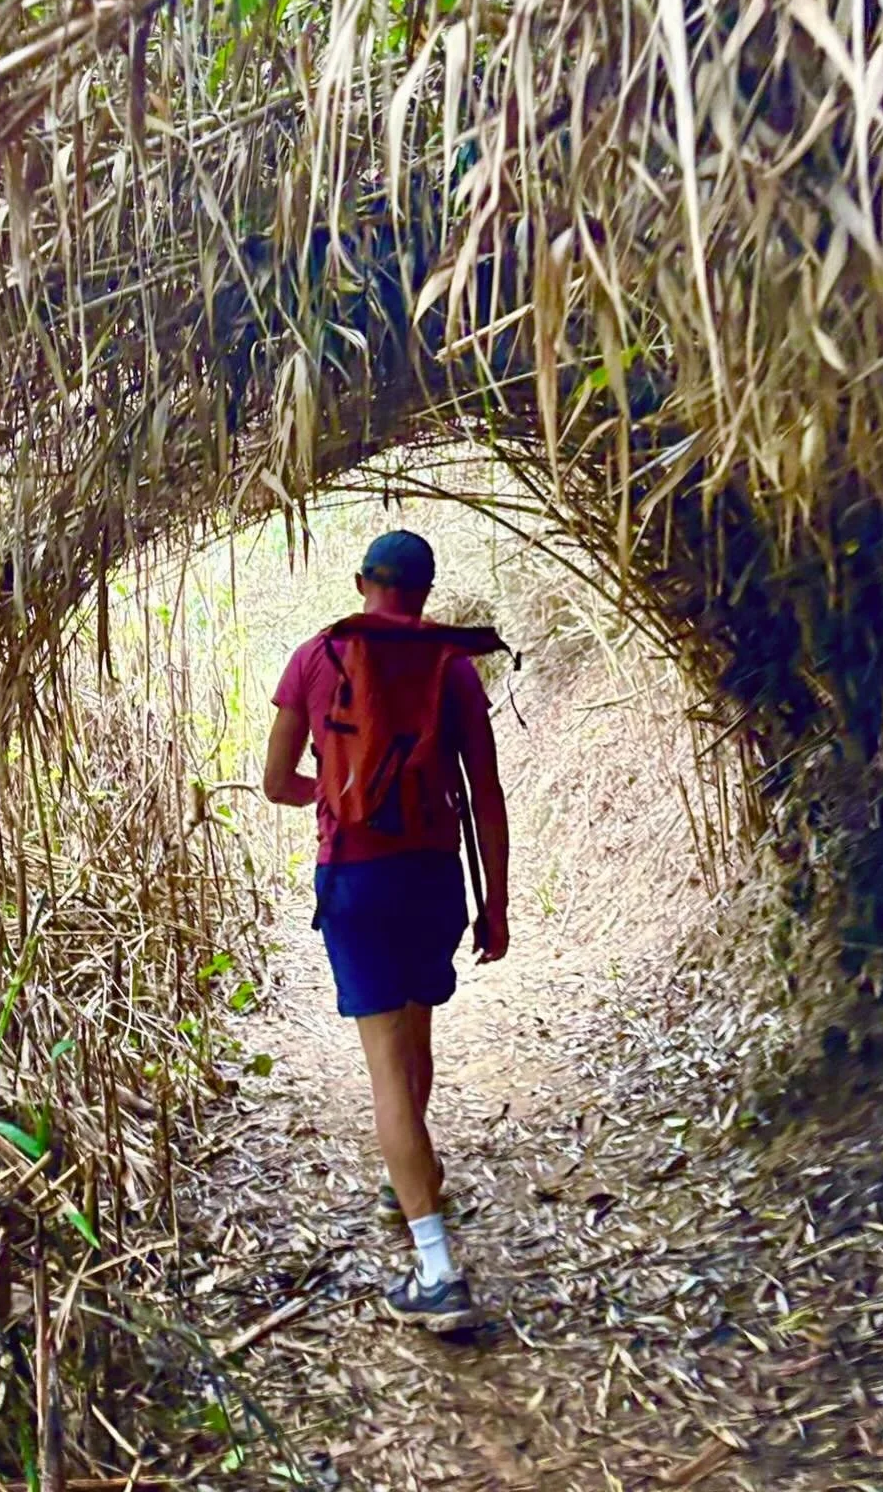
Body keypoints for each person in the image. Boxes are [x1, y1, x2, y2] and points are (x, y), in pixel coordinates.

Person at [263, 529, 510, 1333]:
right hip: (434, 873)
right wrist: (495, 901)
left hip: (355, 876)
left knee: (384, 1073)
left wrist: (335, 794)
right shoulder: (453, 667)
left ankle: (436, 1270)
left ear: (363, 581)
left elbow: (276, 783)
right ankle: (409, 1182)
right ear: (426, 593)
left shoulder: (315, 657)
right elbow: (488, 792)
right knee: (417, 1032)